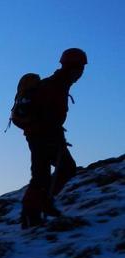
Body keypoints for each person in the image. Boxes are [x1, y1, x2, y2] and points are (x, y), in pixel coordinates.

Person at [20, 48, 86, 228]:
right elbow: (45, 114)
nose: (81, 73)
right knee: (43, 175)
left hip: (45, 135)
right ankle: (31, 213)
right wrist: (51, 131)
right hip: (41, 136)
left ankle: (42, 203)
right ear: (73, 67)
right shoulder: (54, 85)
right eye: (80, 68)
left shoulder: (60, 84)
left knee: (63, 169)